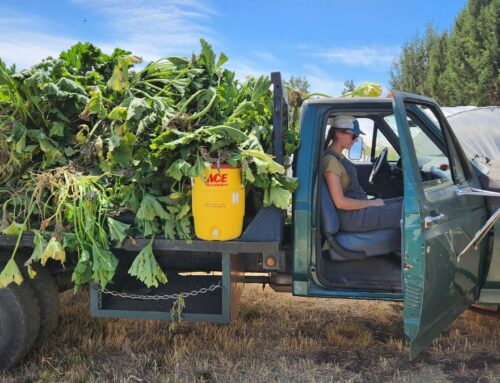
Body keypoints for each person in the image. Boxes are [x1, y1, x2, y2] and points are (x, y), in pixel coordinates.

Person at [323, 116, 402, 232]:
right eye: (353, 136)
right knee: (409, 211)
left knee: (406, 202)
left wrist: (371, 203)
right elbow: (340, 202)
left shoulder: (338, 157)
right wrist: (371, 203)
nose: (355, 140)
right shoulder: (331, 161)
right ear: (338, 133)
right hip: (352, 217)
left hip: (356, 211)